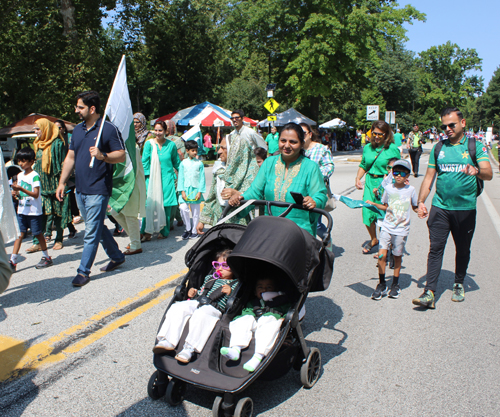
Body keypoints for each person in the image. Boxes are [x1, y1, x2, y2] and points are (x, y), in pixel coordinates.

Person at [413, 107, 492, 309]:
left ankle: (458, 282)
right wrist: (421, 202)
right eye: (444, 126)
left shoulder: (475, 145)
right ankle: (429, 292)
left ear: (463, 123)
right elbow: (429, 177)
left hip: (465, 208)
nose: (447, 129)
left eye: (451, 125)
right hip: (440, 207)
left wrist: (477, 171)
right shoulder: (439, 148)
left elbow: (489, 173)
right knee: (436, 248)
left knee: (462, 249)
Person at [56, 91, 126, 287]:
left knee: (90, 231)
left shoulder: (108, 129)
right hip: (80, 189)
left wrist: (103, 155)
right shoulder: (77, 130)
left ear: (92, 109)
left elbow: (121, 155)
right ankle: (116, 256)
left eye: (80, 107)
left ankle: (83, 271)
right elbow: (70, 157)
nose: (76, 110)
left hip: (99, 188)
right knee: (95, 228)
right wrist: (62, 182)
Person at [229, 122, 328, 236]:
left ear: (301, 144)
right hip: (269, 229)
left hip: (298, 232)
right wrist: (240, 198)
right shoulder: (269, 163)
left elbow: (320, 195)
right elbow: (255, 191)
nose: (286, 145)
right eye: (283, 141)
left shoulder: (311, 167)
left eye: (293, 142)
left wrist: (313, 201)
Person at [153, 249, 238, 363]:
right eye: (217, 265)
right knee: (178, 307)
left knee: (202, 315)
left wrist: (231, 292)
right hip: (199, 301)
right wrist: (193, 293)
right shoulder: (210, 278)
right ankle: (167, 340)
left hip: (214, 307)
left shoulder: (236, 283)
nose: (220, 268)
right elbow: (202, 291)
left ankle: (189, 349)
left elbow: (236, 303)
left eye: (225, 266)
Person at [197, 110, 261, 233]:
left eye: (223, 148)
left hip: (239, 225)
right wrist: (202, 220)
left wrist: (237, 193)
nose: (219, 151)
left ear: (235, 151)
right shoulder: (219, 169)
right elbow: (211, 197)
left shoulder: (251, 172)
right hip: (219, 221)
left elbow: (256, 197)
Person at [366, 159, 418, 300]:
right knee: (382, 255)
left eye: (402, 173)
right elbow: (385, 206)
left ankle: (395, 284)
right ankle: (382, 284)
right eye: (396, 172)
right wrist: (374, 204)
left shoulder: (411, 190)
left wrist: (420, 210)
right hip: (387, 227)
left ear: (408, 175)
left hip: (401, 229)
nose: (398, 175)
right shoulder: (388, 189)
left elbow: (415, 206)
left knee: (397, 256)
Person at [220, 276, 291, 372]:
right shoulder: (253, 303)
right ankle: (236, 349)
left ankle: (257, 357)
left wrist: (285, 318)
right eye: (260, 287)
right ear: (254, 291)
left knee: (268, 320)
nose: (264, 290)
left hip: (270, 321)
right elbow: (247, 312)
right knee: (244, 319)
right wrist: (247, 317)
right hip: (255, 321)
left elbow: (289, 311)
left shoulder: (281, 302)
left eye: (269, 287)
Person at [355, 120, 401, 254]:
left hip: (384, 183)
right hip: (370, 182)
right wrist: (358, 178)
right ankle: (374, 239)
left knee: (383, 215)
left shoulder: (392, 149)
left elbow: (397, 168)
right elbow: (364, 165)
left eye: (380, 134)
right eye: (374, 133)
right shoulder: (367, 148)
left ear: (386, 135)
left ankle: (384, 246)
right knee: (367, 212)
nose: (376, 136)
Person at [28, 119, 72, 252]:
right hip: (41, 187)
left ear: (46, 128)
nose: (35, 132)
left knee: (58, 213)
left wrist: (62, 183)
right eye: (35, 129)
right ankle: (38, 242)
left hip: (55, 185)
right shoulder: (37, 144)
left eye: (38, 129)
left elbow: (64, 165)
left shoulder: (58, 144)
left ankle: (59, 239)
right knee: (40, 215)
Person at [10, 147, 53, 271]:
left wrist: (21, 189)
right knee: (20, 235)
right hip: (22, 210)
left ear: (31, 161)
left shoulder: (35, 176)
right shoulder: (19, 175)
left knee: (38, 234)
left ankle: (46, 257)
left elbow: (35, 194)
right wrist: (16, 194)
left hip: (34, 211)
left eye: (23, 161)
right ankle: (13, 260)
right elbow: (19, 193)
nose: (21, 164)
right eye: (19, 161)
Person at [140, 120, 181, 241]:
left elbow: (176, 162)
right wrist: (147, 178)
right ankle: (146, 232)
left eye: (160, 130)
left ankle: (164, 230)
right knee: (149, 205)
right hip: (151, 179)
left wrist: (183, 175)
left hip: (167, 178)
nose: (157, 133)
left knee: (167, 205)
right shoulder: (149, 144)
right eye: (156, 130)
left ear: (165, 131)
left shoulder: (171, 145)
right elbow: (144, 162)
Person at [111, 141, 146, 256]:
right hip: (119, 184)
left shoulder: (132, 145)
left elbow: (131, 167)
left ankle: (136, 244)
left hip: (131, 183)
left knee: (130, 214)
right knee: (115, 212)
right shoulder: (116, 144)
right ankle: (134, 239)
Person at [300, 123, 334, 239]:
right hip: (300, 190)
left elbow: (329, 167)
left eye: (303, 133)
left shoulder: (321, 149)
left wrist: (315, 175)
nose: (301, 135)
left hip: (315, 191)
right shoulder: (296, 149)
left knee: (316, 223)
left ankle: (326, 240)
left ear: (309, 134)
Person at [54, 119, 79, 238]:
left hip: (72, 173)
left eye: (60, 127)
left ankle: (76, 215)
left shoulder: (70, 138)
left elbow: (73, 157)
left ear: (64, 128)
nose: (58, 130)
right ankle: (71, 227)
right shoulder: (53, 141)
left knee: (69, 197)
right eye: (55, 128)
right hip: (58, 176)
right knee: (62, 202)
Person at [178, 140, 206, 239]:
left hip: (196, 190)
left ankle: (194, 231)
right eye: (192, 150)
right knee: (183, 208)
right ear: (187, 151)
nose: (195, 152)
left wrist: (200, 191)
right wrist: (182, 191)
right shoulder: (183, 163)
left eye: (196, 150)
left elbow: (202, 178)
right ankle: (188, 228)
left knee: (195, 212)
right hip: (185, 190)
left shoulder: (199, 163)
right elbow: (180, 177)